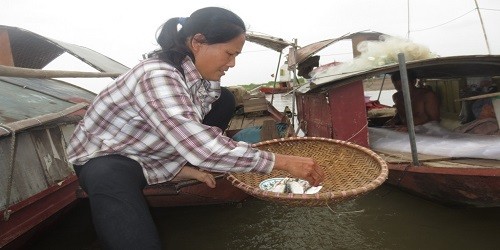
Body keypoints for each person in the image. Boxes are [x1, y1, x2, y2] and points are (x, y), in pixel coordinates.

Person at [66, 7, 324, 249]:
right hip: (110, 158)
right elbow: (199, 143)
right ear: (197, 42)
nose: (232, 64)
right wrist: (282, 162)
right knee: (113, 184)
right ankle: (179, 168)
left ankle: (179, 166)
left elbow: (196, 131)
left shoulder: (201, 79)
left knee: (224, 100)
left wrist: (203, 156)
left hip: (154, 150)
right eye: (230, 53)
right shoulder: (157, 74)